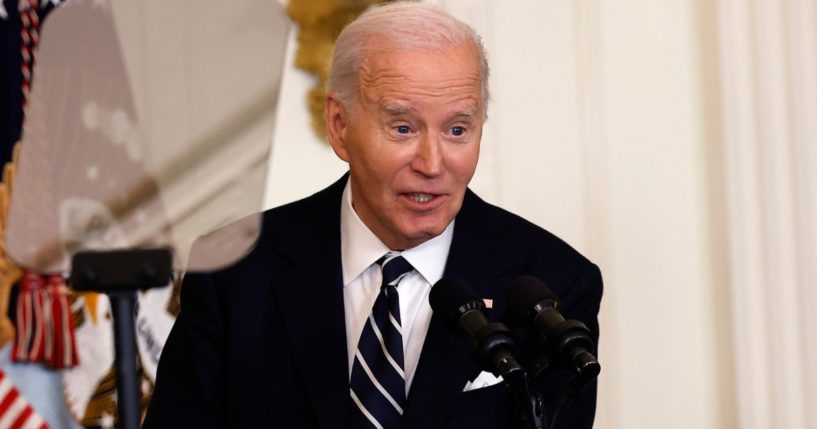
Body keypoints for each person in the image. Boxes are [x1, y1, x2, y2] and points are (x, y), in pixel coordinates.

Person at [143, 2, 602, 428]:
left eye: (458, 130)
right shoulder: (235, 270)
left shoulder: (554, 282)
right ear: (340, 127)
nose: (432, 163)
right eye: (402, 128)